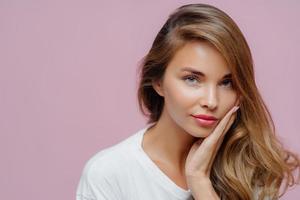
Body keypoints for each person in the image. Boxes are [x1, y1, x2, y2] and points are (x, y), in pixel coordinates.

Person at [76, 3, 299, 200]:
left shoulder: (247, 168)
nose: (212, 101)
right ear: (158, 82)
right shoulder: (109, 174)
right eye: (192, 79)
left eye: (227, 82)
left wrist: (200, 183)